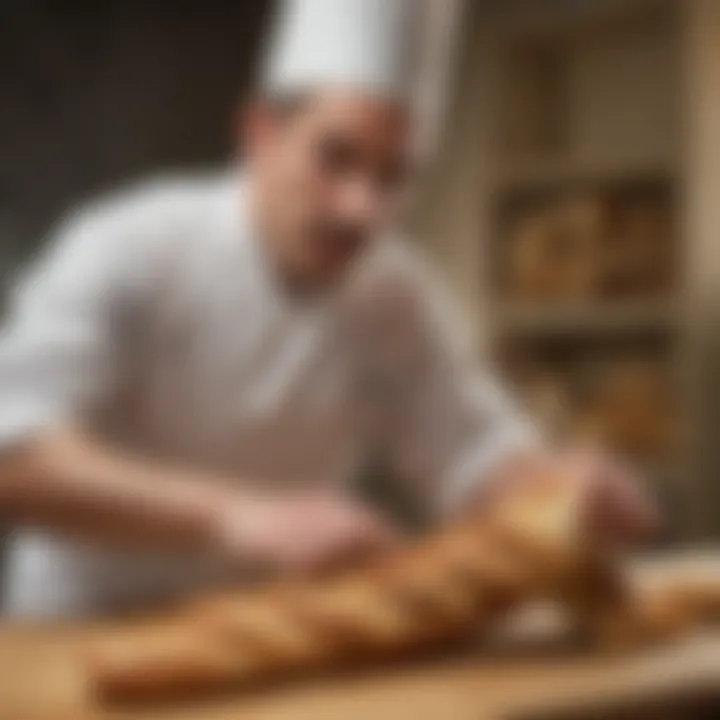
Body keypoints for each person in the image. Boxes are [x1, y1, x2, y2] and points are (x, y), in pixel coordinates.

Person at [0, 0, 656, 618]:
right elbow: (16, 457)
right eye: (335, 158)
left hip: (273, 645)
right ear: (258, 131)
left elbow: (474, 454)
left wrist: (562, 487)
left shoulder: (394, 296)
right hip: (79, 636)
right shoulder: (130, 248)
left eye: (391, 176)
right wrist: (238, 517)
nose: (361, 209)